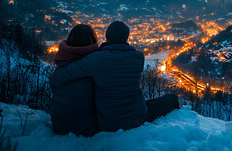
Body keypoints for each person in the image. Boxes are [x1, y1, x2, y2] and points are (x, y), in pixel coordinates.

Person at [50, 21, 180, 132]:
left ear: (107, 37)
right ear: (126, 38)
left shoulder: (96, 59)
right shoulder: (138, 58)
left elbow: (68, 73)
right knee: (171, 99)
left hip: (108, 122)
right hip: (138, 116)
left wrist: (55, 78)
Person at [50, 24, 99, 137]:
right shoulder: (93, 68)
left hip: (59, 125)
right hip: (86, 128)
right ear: (92, 41)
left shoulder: (62, 63)